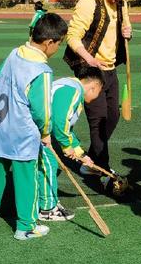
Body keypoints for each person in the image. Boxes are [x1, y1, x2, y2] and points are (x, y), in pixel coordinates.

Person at [0, 13, 68, 240]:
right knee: (27, 176)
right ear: (49, 42)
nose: (58, 48)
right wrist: (46, 132)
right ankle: (26, 226)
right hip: (22, 133)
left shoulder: (14, 53)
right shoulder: (42, 71)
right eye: (59, 43)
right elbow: (43, 112)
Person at [63, 0, 132, 180]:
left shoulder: (123, 4)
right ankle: (102, 166)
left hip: (110, 68)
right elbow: (72, 36)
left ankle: (91, 159)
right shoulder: (89, 2)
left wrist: (127, 32)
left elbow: (124, 28)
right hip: (89, 67)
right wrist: (89, 58)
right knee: (99, 118)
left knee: (112, 116)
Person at [36, 65, 104, 222]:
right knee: (48, 165)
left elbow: (66, 128)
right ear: (94, 86)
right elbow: (59, 122)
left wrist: (81, 154)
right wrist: (67, 148)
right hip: (38, 133)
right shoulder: (73, 91)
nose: (96, 97)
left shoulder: (69, 85)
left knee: (47, 165)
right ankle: (47, 209)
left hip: (41, 131)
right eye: (99, 92)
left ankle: (48, 201)